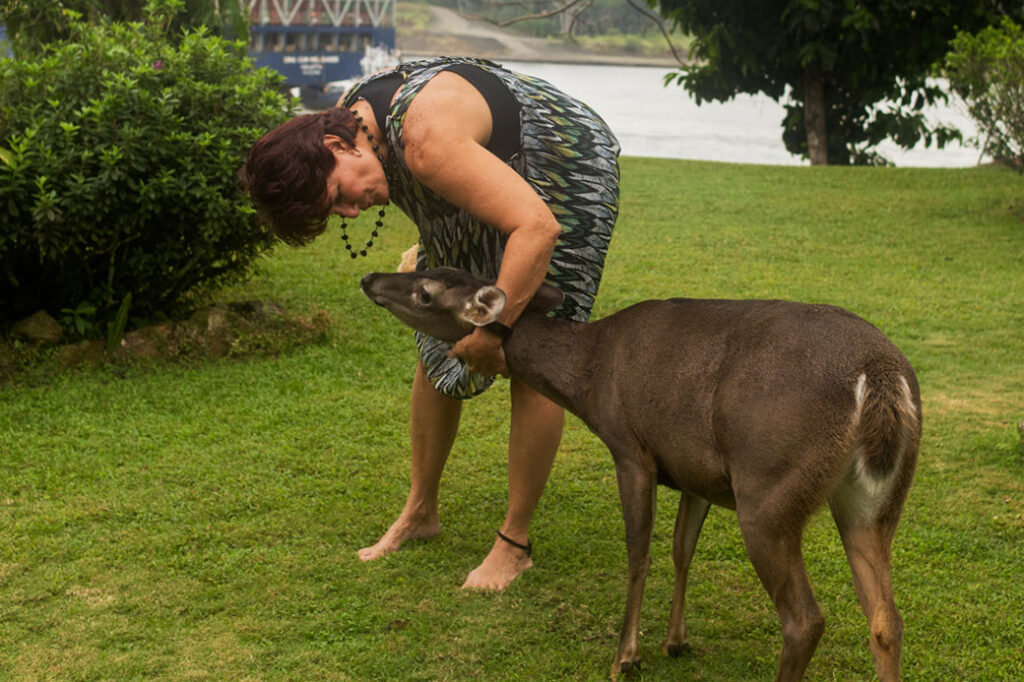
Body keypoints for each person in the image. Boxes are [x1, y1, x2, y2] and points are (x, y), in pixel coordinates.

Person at [240, 56, 620, 591]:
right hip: (478, 163)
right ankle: (420, 513)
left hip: (560, 157)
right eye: (336, 214)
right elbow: (449, 188)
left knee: (535, 347)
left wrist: (495, 330)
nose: (350, 214)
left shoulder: (425, 137)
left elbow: (535, 226)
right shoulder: (356, 122)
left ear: (334, 149)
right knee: (437, 338)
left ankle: (514, 544)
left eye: (338, 198)